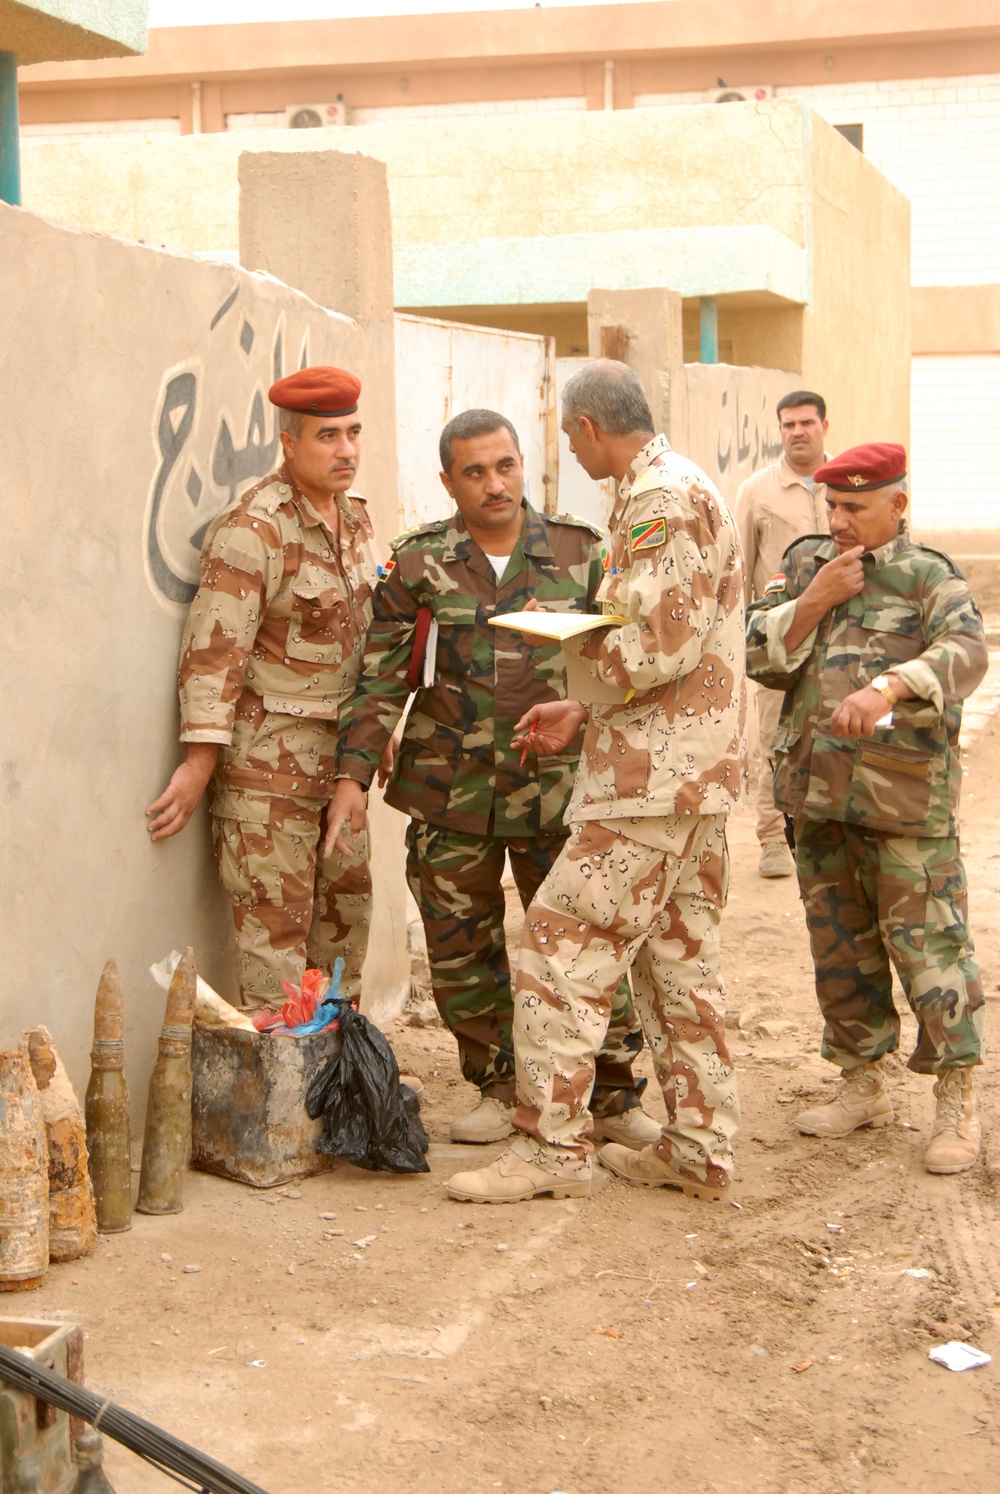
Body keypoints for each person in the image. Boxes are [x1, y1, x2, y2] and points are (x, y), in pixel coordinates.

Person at [445, 360, 747, 1204]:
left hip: (655, 784)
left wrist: (562, 645)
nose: (567, 453)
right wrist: (581, 707)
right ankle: (698, 1149)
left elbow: (652, 643)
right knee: (676, 964)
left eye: (564, 436)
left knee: (558, 946)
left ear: (584, 427)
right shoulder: (669, 490)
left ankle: (552, 1150)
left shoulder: (660, 499)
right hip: (683, 774)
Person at [325, 408, 660, 1148]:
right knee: (459, 946)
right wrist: (352, 776)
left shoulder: (583, 553)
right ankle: (496, 1082)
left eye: (504, 466)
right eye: (474, 472)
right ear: (448, 481)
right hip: (452, 794)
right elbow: (380, 680)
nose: (494, 484)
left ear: (524, 466)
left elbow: (624, 662)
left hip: (562, 791)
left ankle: (611, 1093)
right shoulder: (416, 564)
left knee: (584, 942)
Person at [745, 442, 988, 1173]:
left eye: (855, 506)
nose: (839, 519)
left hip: (903, 802)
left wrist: (891, 685)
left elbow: (968, 652)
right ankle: (864, 1082)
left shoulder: (928, 577)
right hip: (817, 797)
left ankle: (957, 1098)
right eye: (832, 505)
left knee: (931, 951)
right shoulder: (807, 565)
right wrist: (814, 597)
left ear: (898, 505)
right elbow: (759, 654)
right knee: (841, 950)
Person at [146, 366, 379, 1008]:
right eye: (328, 436)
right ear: (289, 442)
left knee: (342, 947)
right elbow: (213, 654)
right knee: (276, 973)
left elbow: (363, 644)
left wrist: (368, 747)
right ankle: (284, 1107)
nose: (347, 451)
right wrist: (198, 766)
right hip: (267, 784)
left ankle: (340, 1097)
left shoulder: (356, 523)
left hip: (342, 777)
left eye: (354, 433)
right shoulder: (254, 529)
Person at [733, 391, 830, 879]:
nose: (797, 431)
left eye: (806, 423)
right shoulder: (757, 491)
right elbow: (737, 568)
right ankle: (772, 837)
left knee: (834, 731)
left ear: (824, 427)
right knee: (772, 737)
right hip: (780, 638)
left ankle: (826, 829)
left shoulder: (845, 484)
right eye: (788, 424)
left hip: (840, 636)